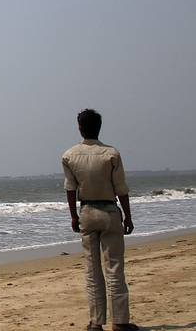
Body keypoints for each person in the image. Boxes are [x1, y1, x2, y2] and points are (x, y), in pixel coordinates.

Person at [62, 109, 139, 331]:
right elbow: (121, 188)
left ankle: (96, 323)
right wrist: (128, 216)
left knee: (93, 270)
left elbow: (70, 188)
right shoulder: (111, 154)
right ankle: (120, 322)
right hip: (109, 211)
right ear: (99, 127)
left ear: (80, 128)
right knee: (114, 267)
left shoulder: (69, 155)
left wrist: (74, 216)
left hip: (87, 211)